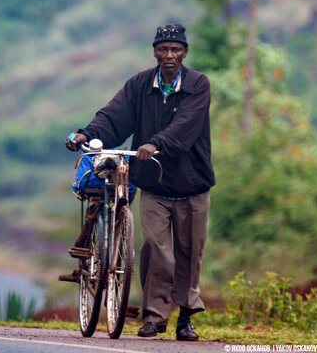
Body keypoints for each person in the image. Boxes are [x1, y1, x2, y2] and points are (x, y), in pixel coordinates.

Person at [65, 23, 215, 342]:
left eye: (176, 49)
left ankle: (185, 319)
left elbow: (186, 126)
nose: (169, 55)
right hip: (154, 186)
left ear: (185, 52)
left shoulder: (198, 85)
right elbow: (114, 116)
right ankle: (154, 318)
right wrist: (87, 134)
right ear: (155, 52)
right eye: (163, 49)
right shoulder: (139, 85)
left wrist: (156, 143)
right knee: (156, 250)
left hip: (193, 186)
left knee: (189, 253)